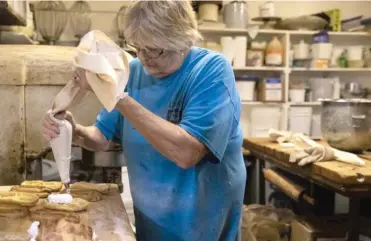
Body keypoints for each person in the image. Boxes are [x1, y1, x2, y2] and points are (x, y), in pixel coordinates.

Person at [43, 1, 246, 240]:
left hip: (202, 223)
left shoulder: (210, 70)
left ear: (183, 40)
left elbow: (187, 153)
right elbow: (101, 138)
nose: (145, 58)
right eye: (138, 48)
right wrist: (73, 130)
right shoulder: (134, 71)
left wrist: (118, 97)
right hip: (153, 220)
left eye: (155, 50)